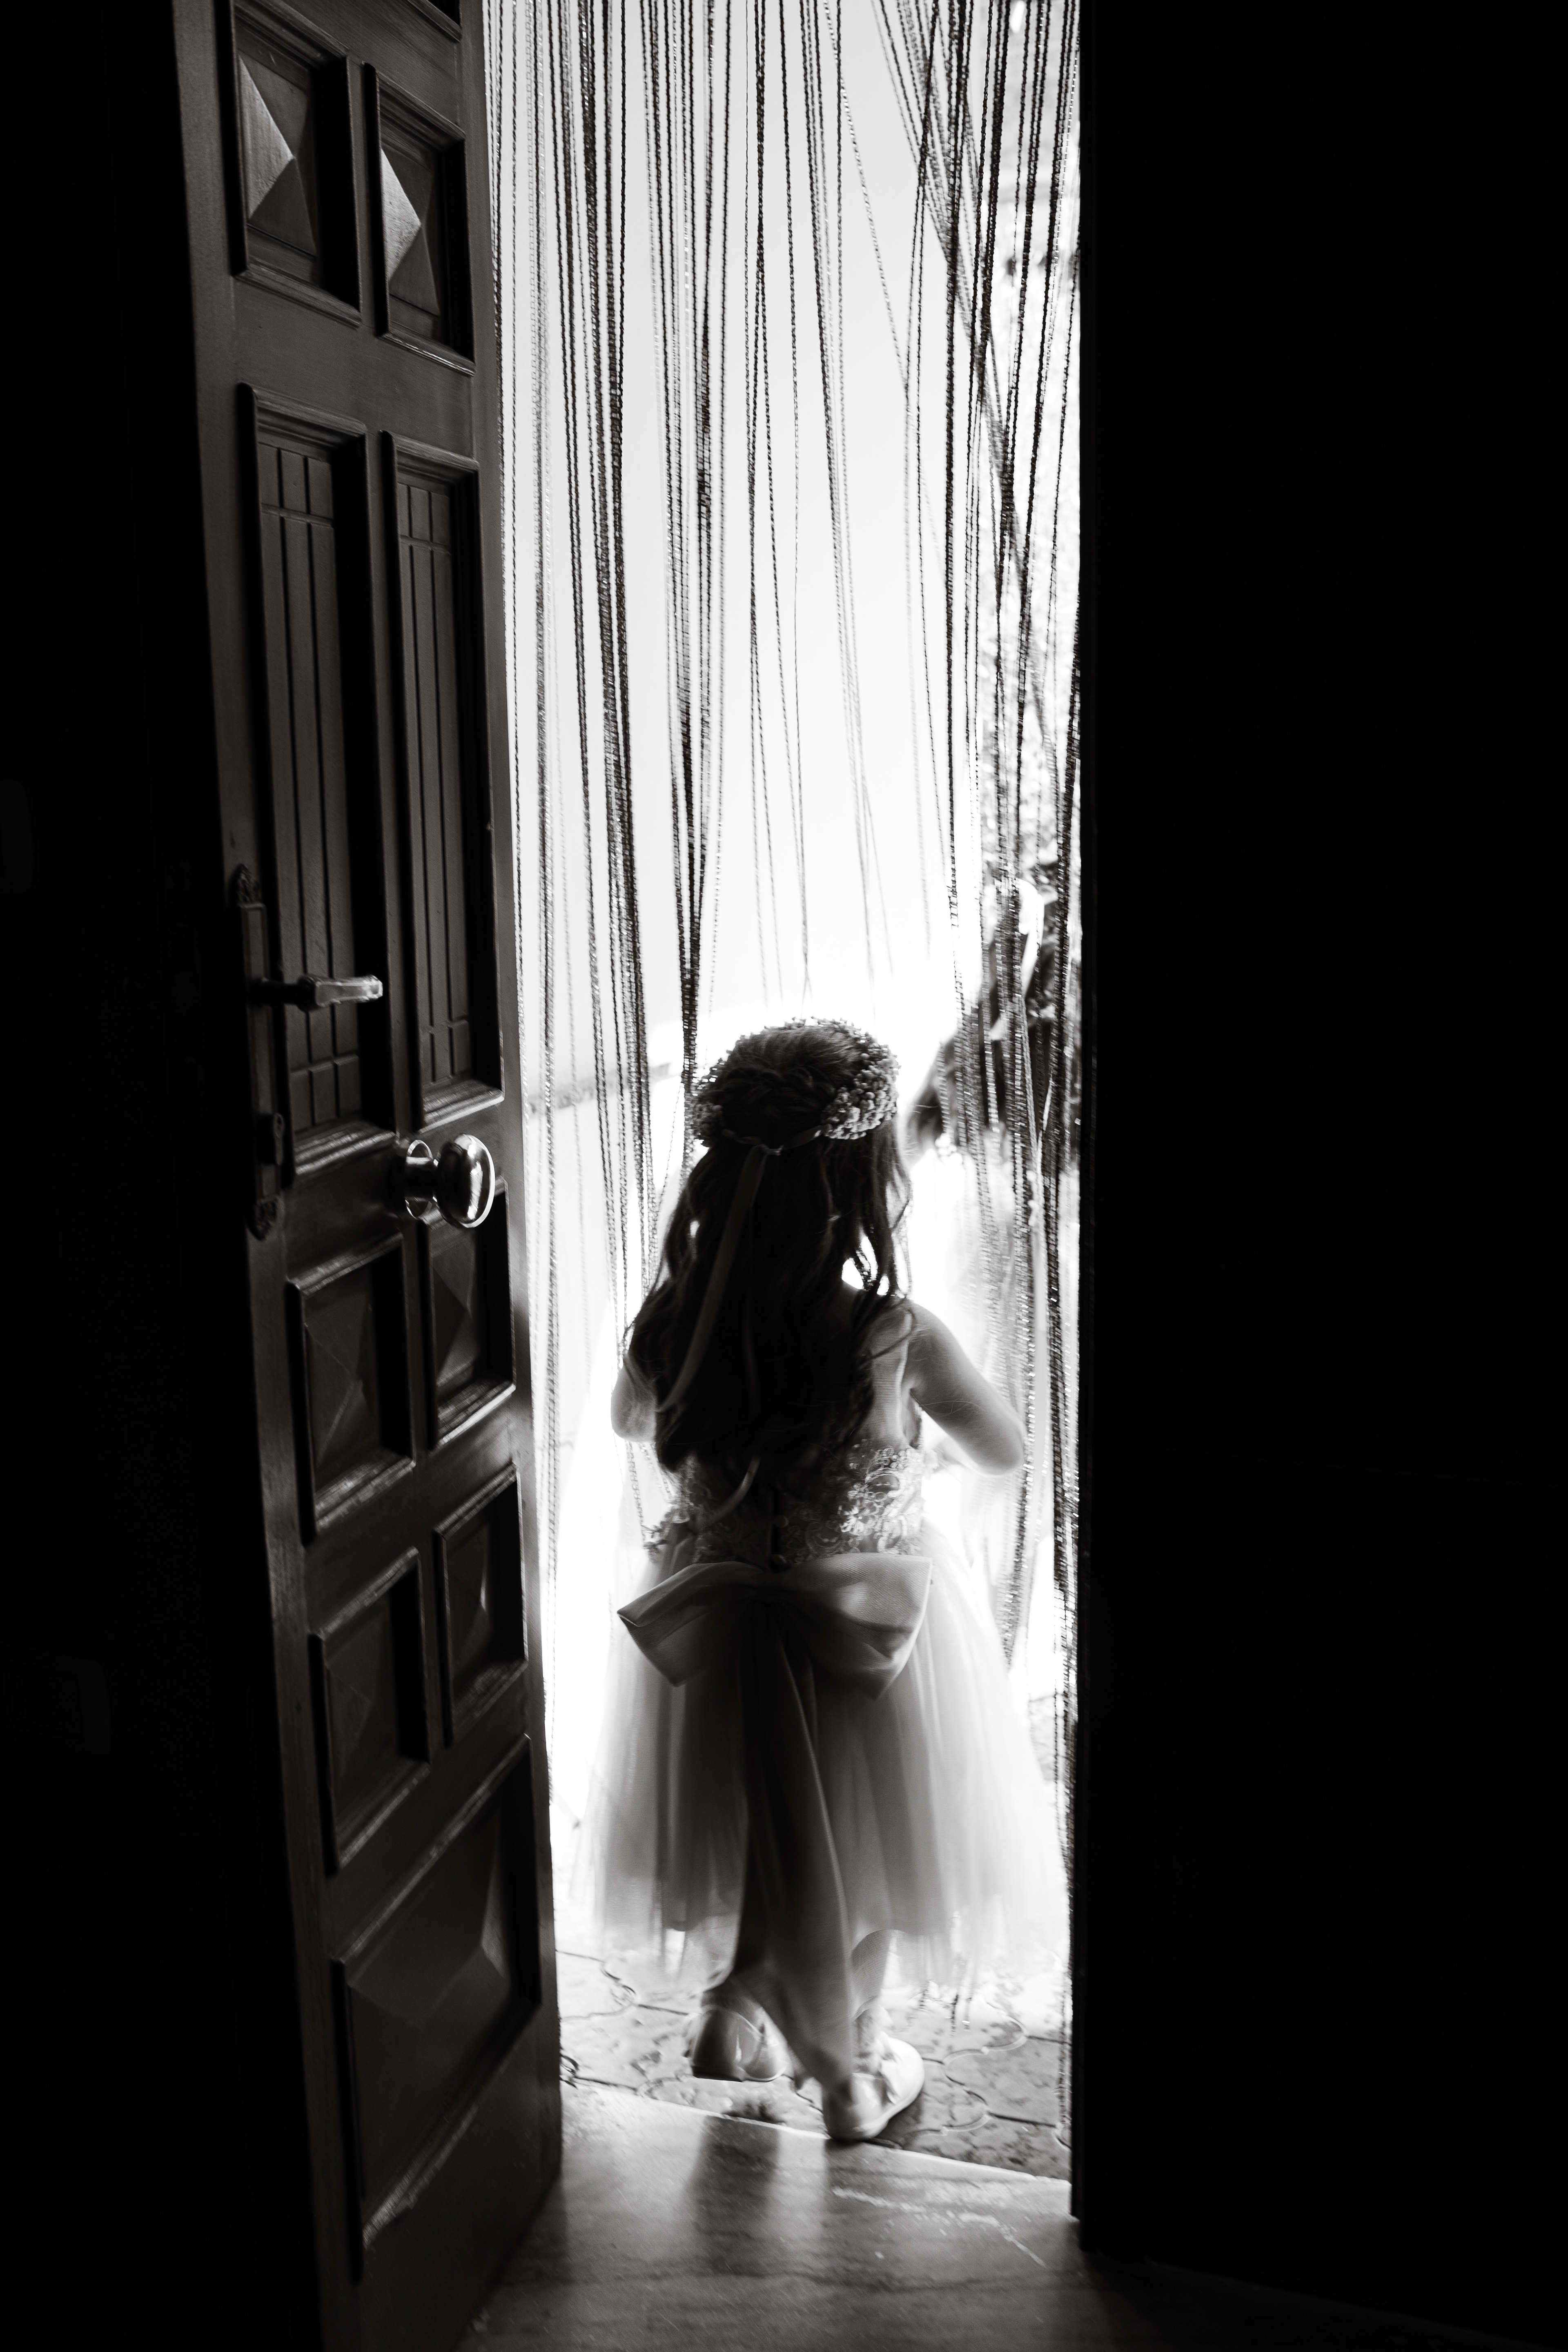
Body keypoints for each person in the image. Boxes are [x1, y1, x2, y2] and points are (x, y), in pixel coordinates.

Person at [585, 1018, 1056, 2142]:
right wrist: (909, 1455)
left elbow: (630, 1423)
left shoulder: (672, 1325)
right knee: (876, 1854)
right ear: (859, 1191)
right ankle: (854, 2072)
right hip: (864, 1637)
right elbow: (1003, 1449)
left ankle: (733, 2006)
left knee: (767, 1830)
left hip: (717, 1635)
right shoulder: (890, 1334)